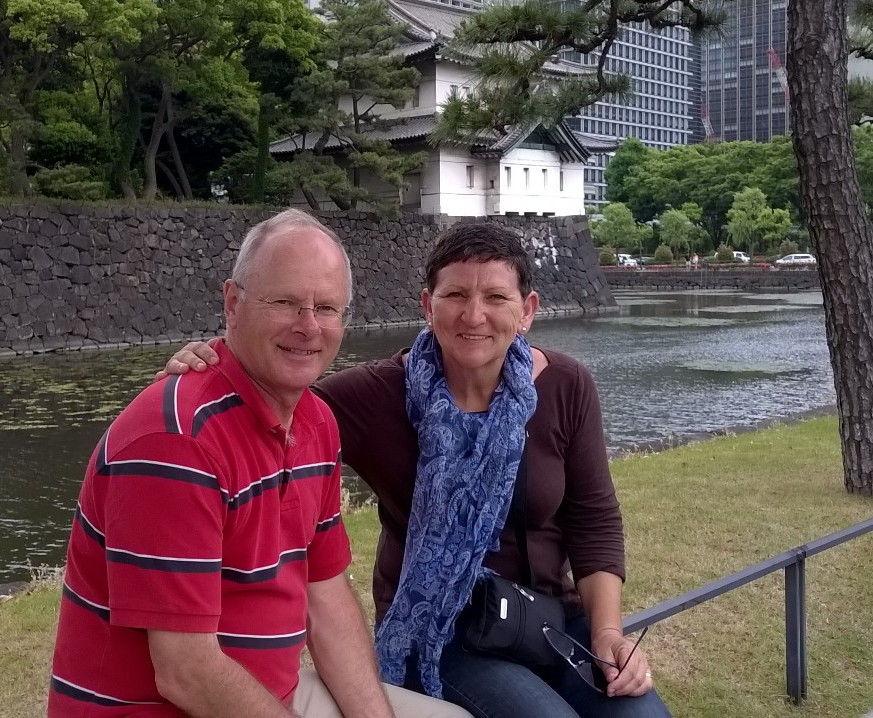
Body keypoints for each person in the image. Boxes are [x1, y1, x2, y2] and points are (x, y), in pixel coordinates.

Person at [163, 223, 671, 718]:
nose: (474, 315)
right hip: (439, 630)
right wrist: (214, 364)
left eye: (496, 297)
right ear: (428, 305)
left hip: (549, 620)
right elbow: (265, 408)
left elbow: (593, 518)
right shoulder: (377, 396)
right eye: (455, 296)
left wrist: (607, 635)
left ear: (527, 311)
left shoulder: (565, 386)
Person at [49, 209, 469, 718]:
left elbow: (325, 597)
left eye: (327, 307)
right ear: (233, 303)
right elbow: (186, 671)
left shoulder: (316, 423)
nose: (308, 326)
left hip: (273, 693)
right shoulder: (176, 440)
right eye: (285, 302)